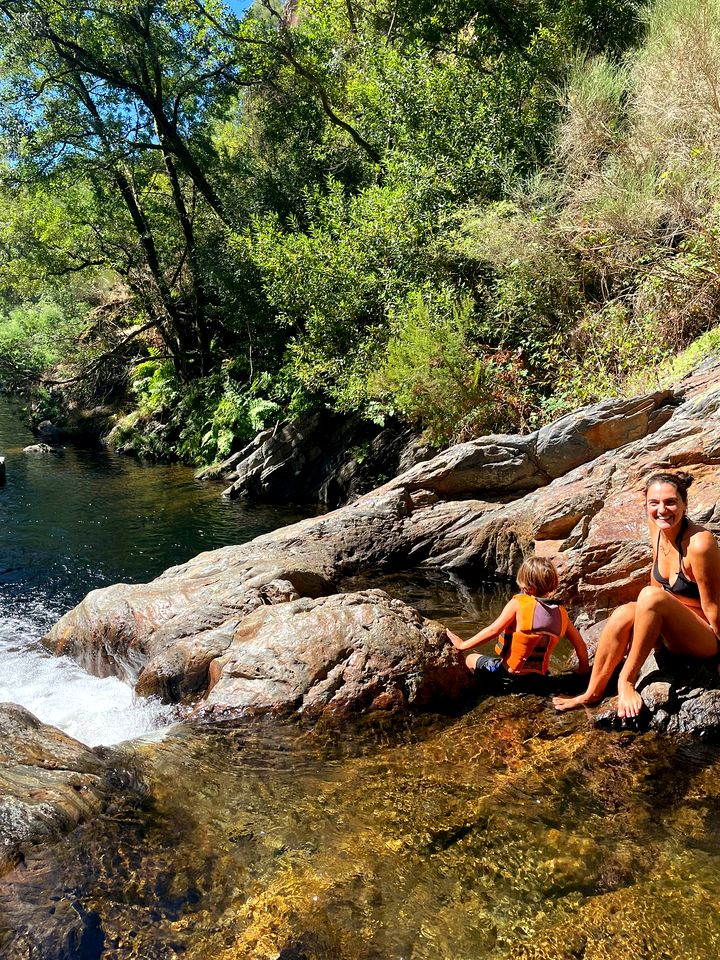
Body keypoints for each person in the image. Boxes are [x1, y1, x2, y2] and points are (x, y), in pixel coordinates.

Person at [553, 470, 720, 718]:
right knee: (622, 613)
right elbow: (657, 584)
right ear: (646, 505)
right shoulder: (657, 529)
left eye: (670, 502)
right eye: (654, 503)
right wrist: (644, 628)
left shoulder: (699, 543)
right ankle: (592, 693)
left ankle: (626, 681)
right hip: (671, 628)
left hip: (704, 639)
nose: (662, 510)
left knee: (649, 597)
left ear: (684, 504)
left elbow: (714, 608)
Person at [446, 556, 589, 689]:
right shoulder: (562, 613)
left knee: (471, 658)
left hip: (508, 676)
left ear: (529, 587)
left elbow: (493, 631)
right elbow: (580, 645)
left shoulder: (518, 604)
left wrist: (463, 645)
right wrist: (583, 672)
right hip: (541, 679)